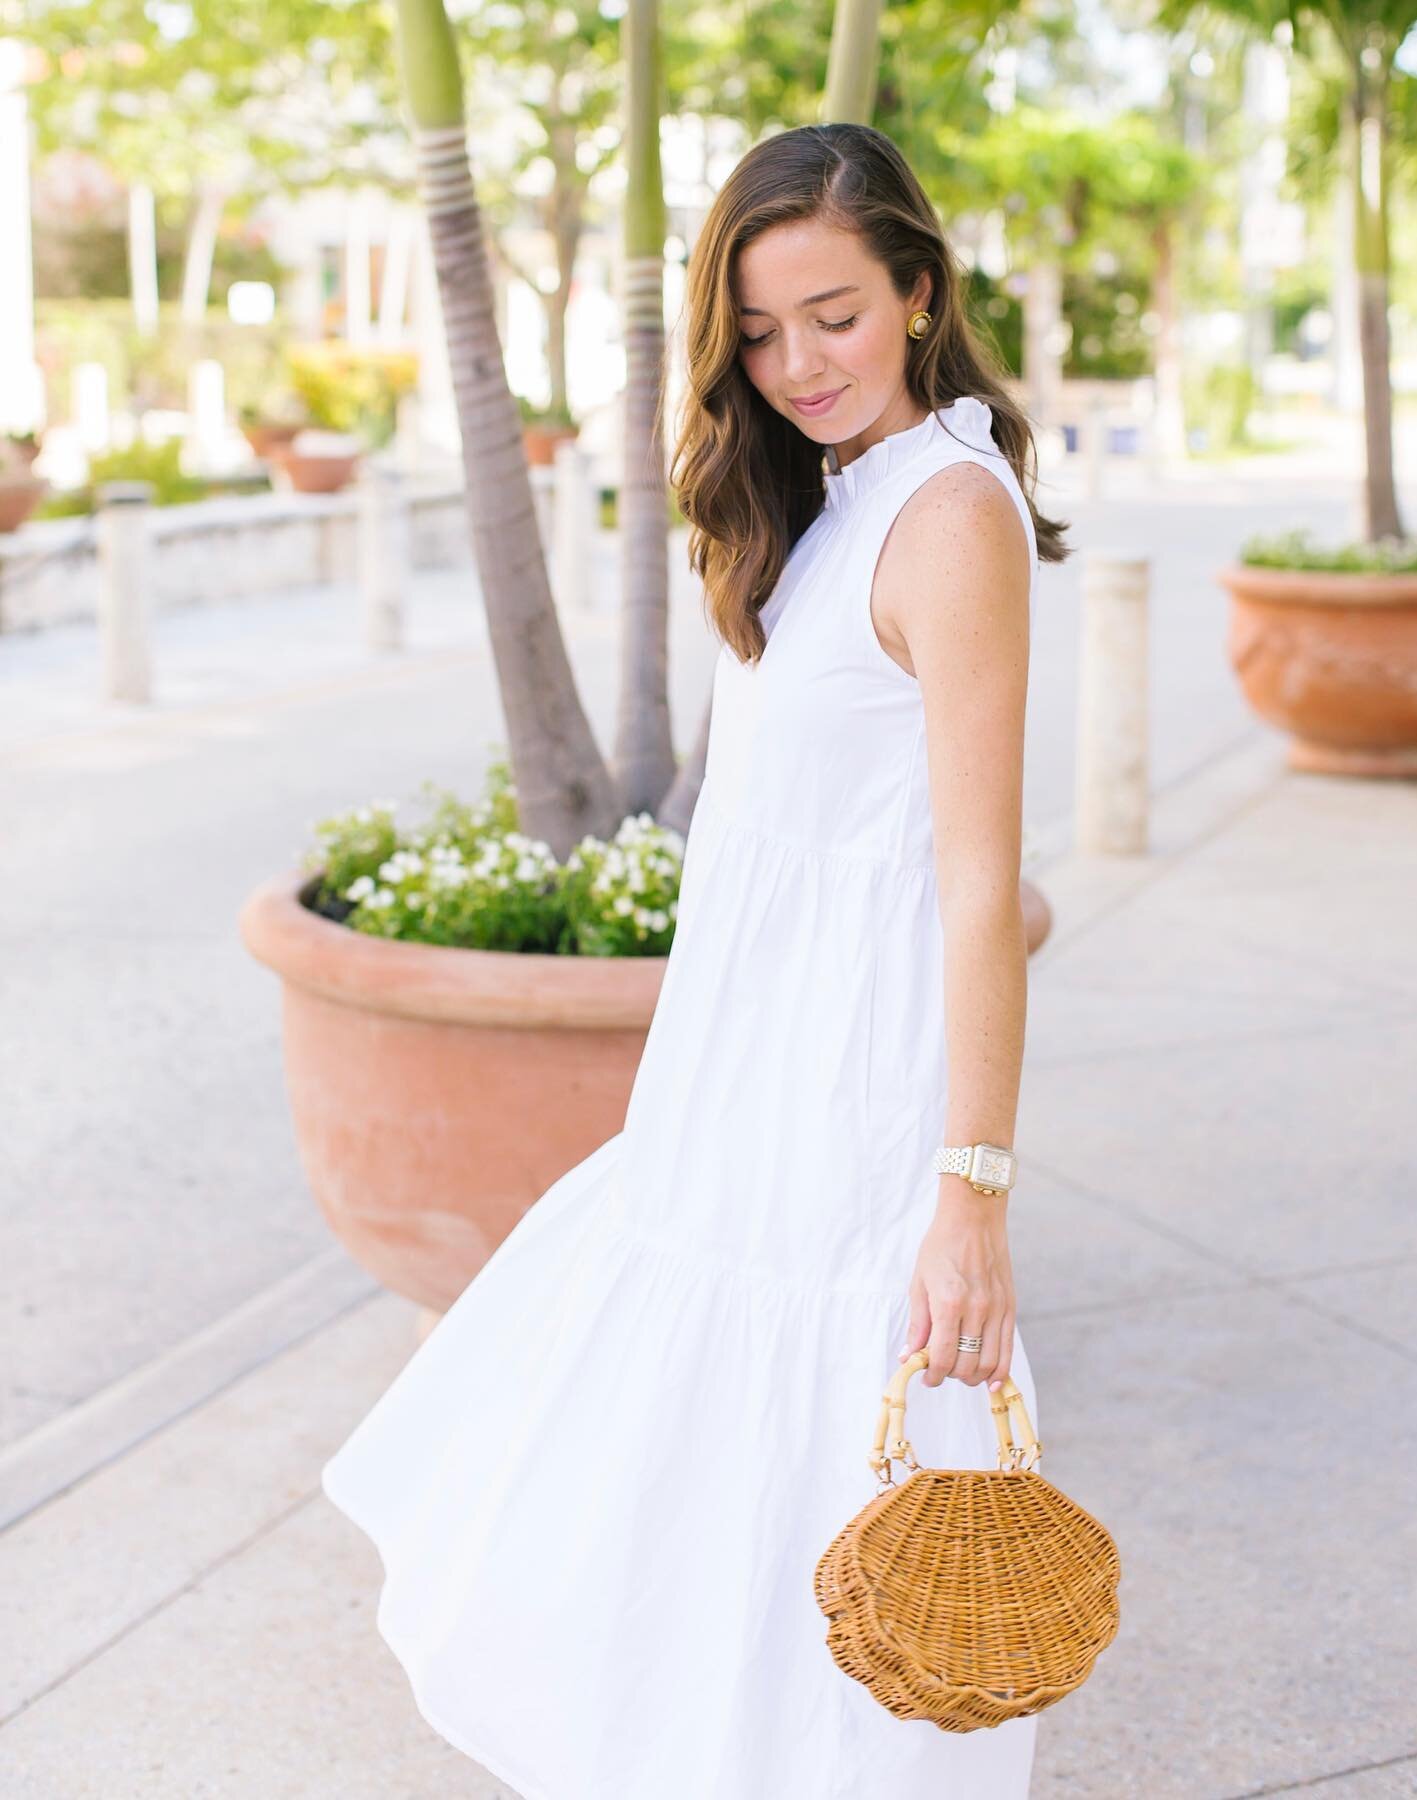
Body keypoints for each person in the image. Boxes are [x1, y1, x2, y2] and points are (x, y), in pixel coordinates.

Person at [321, 119, 1071, 1800]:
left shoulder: (947, 514)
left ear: (923, 294)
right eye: (756, 329)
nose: (798, 363)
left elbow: (975, 886)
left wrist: (972, 1191)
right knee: (704, 1542)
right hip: (745, 1098)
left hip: (855, 1116)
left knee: (818, 1530)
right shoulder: (826, 505)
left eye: (837, 316)